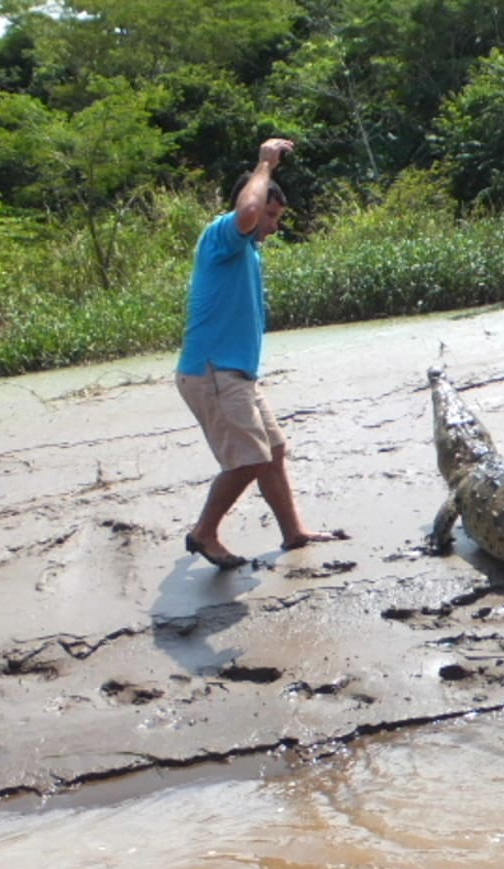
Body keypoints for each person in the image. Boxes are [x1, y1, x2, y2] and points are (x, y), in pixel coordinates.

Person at [176, 137, 345, 569]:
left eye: (277, 217)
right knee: (248, 459)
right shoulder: (223, 235)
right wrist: (265, 164)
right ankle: (204, 533)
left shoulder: (245, 249)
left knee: (272, 449)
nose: (272, 224)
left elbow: (253, 218)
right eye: (271, 215)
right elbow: (248, 213)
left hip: (236, 374)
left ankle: (293, 532)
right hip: (213, 373)